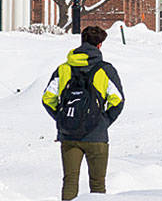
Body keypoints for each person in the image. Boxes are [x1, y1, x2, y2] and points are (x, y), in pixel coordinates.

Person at [41, 25, 126, 199]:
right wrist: (103, 122)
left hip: (69, 134)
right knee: (97, 185)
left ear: (81, 42)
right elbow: (117, 100)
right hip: (96, 136)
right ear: (100, 45)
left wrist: (62, 118)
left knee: (70, 182)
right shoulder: (105, 70)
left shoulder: (63, 69)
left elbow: (47, 99)